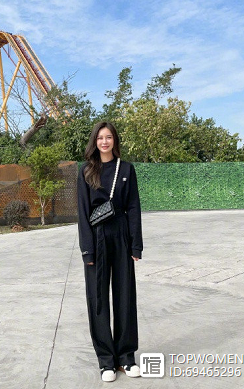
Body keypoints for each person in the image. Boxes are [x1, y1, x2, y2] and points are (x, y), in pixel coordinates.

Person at [77, 121, 143, 382]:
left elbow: (134, 206)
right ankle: (106, 361)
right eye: (100, 138)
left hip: (121, 235)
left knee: (125, 295)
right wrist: (87, 250)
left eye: (109, 137)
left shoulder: (126, 169)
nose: (104, 142)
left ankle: (126, 357)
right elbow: (83, 212)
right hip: (96, 237)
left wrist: (135, 244)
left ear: (115, 140)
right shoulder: (86, 171)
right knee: (98, 299)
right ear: (94, 142)